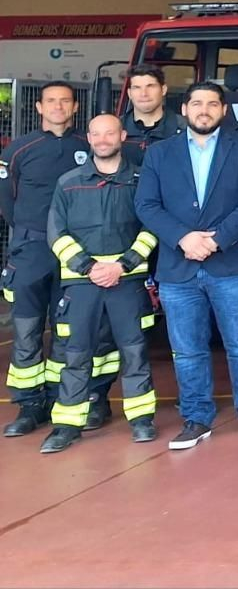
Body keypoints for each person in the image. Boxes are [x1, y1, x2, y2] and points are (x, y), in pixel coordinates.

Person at [135, 83, 238, 449]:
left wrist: (215, 240)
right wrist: (184, 238)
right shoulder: (160, 154)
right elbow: (146, 205)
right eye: (196, 103)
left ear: (223, 110)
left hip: (232, 263)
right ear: (184, 110)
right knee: (186, 349)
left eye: (212, 103)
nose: (204, 109)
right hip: (178, 266)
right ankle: (196, 419)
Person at [36, 115, 159, 453]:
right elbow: (56, 234)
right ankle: (67, 425)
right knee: (74, 355)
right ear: (88, 137)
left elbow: (152, 227)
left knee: (135, 354)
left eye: (110, 133)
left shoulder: (140, 180)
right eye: (97, 134)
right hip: (81, 286)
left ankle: (141, 419)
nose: (103, 139)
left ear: (122, 135)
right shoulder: (68, 182)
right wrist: (89, 267)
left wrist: (123, 265)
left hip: (127, 282)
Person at [1, 81, 93, 437]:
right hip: (32, 249)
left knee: (67, 330)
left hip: (75, 254)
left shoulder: (87, 147)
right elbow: (7, 199)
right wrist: (29, 231)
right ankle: (29, 405)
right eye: (51, 101)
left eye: (65, 101)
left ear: (74, 108)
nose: (58, 106)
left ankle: (61, 400)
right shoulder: (20, 150)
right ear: (39, 108)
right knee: (26, 330)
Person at [119, 64, 183, 164]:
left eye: (150, 86)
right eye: (137, 87)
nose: (143, 93)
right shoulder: (114, 130)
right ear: (129, 93)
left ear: (163, 90)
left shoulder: (186, 129)